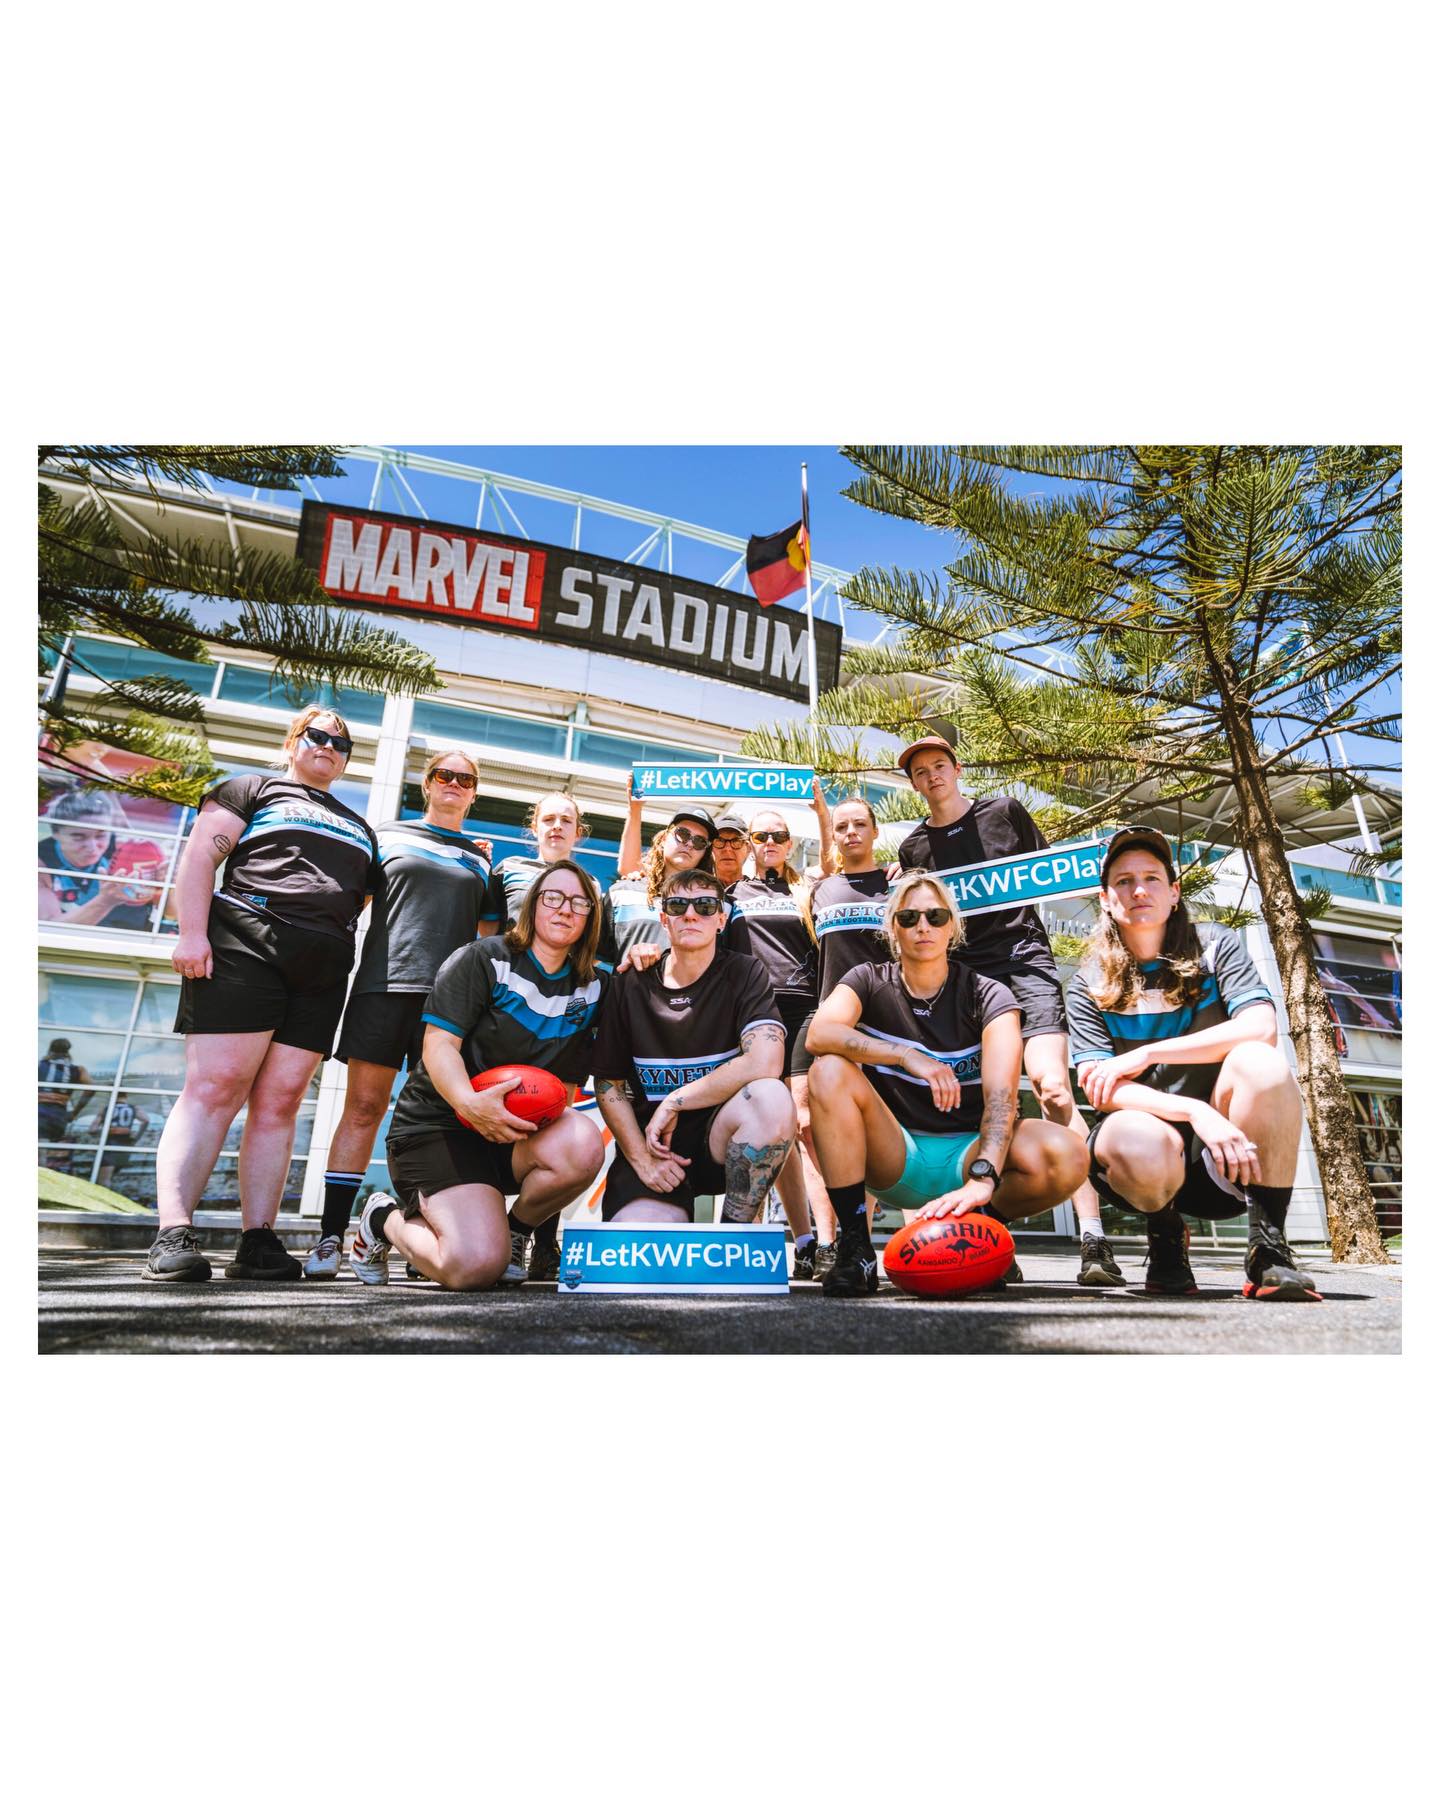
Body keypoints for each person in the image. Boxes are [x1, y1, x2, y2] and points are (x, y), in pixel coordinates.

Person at [143, 706, 380, 1282]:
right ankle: (173, 1232)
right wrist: (191, 934)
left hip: (323, 967)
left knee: (281, 1102)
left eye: (341, 744)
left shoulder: (361, 826)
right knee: (216, 1087)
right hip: (245, 942)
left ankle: (258, 1239)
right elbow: (201, 856)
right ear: (294, 741)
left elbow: (362, 897)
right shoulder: (252, 788)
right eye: (317, 736)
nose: (328, 747)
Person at [895, 735, 1125, 1288]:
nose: (932, 776)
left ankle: (1094, 1237)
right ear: (914, 784)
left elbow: (1048, 871)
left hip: (1024, 961)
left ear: (957, 768)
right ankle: (989, 1234)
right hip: (964, 979)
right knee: (982, 1100)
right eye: (921, 772)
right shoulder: (913, 848)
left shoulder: (1004, 812)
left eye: (939, 765)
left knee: (1053, 1088)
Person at [806, 872, 1088, 1297]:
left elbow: (1001, 1100)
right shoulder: (867, 979)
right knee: (827, 1069)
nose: (923, 926)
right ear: (892, 928)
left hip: (967, 1155)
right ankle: (856, 1249)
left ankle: (982, 1232)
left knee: (1067, 1152)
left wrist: (983, 1177)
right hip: (896, 1152)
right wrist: (904, 1055)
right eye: (909, 917)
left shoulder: (989, 994)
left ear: (952, 927)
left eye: (935, 917)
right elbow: (819, 1034)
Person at [1067, 826, 1319, 1300]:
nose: (1138, 891)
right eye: (1123, 881)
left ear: (1174, 891)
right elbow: (1100, 1086)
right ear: (1105, 899)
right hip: (1144, 1158)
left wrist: (1149, 1052)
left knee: (1261, 1063)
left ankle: (1268, 1250)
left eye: (1151, 878)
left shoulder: (1216, 945)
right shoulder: (1087, 981)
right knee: (1135, 1135)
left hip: (1225, 1157)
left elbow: (1260, 1028)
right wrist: (1194, 1111)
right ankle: (1165, 1237)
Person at [348, 859, 608, 1290]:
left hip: (511, 1134)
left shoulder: (594, 987)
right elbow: (438, 1046)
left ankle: (514, 1233)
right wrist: (469, 1104)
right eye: (554, 897)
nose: (566, 909)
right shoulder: (485, 958)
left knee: (582, 1141)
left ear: (592, 918)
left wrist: (646, 958)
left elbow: (565, 1087)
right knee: (473, 1267)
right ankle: (383, 1220)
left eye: (580, 903)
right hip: (441, 1126)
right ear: (533, 905)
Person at [303, 749, 493, 1279]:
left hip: (451, 1005)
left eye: (465, 779)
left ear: (474, 793)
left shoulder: (482, 859)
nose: (454, 783)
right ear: (427, 784)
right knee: (364, 1109)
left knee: (437, 1123)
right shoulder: (385, 836)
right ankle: (329, 1238)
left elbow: (487, 939)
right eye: (444, 775)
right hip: (383, 987)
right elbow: (350, 904)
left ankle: (420, 1234)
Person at [591, 868, 797, 1227]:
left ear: (721, 919)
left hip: (721, 1139)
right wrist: (641, 1159)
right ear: (663, 920)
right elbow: (609, 1084)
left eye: (704, 906)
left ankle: (734, 1237)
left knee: (772, 1098)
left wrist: (676, 1100)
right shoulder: (629, 984)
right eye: (677, 905)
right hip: (654, 1146)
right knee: (646, 1251)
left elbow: (766, 1061)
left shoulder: (745, 972)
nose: (690, 914)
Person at [721, 807, 830, 1276]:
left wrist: (823, 814)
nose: (769, 841)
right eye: (760, 835)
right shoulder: (730, 894)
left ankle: (827, 1244)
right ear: (749, 842)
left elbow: (843, 870)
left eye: (778, 835)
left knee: (806, 1123)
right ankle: (792, 1241)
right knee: (772, 1125)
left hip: (804, 1008)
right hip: (752, 1013)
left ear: (789, 843)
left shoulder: (808, 890)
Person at [808, 794, 892, 1276]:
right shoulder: (819, 891)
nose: (851, 833)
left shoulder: (898, 885)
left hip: (889, 1025)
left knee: (880, 1136)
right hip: (833, 1025)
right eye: (841, 827)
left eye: (860, 824)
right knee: (831, 1134)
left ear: (875, 831)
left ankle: (863, 1240)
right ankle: (842, 1241)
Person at [598, 806, 718, 970]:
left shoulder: (712, 905)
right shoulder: (621, 893)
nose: (689, 843)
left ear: (704, 853)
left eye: (699, 841)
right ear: (663, 839)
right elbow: (591, 960)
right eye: (682, 834)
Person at [38, 787, 166, 930]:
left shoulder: (125, 846)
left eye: (100, 836)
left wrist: (162, 880)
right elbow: (49, 928)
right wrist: (105, 901)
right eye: (78, 837)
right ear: (55, 833)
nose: (92, 847)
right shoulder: (41, 862)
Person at [480, 791, 587, 933]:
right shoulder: (509, 867)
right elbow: (487, 927)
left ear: (578, 833)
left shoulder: (590, 884)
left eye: (566, 820)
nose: (557, 826)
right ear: (535, 828)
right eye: (548, 819)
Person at [39, 1037, 94, 1170]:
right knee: (48, 1150)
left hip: (40, 1110)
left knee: (40, 1149)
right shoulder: (78, 1070)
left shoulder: (40, 1065)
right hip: (59, 1114)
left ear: (51, 1050)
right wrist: (75, 1112)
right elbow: (91, 1088)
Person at [98, 1091, 152, 1190]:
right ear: (126, 1096)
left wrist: (106, 1131)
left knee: (104, 1180)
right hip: (125, 1145)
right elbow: (146, 1120)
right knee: (111, 1174)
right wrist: (136, 1138)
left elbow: (92, 1129)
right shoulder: (133, 1108)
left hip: (110, 1145)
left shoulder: (107, 1109)